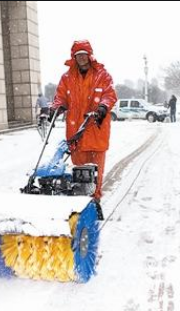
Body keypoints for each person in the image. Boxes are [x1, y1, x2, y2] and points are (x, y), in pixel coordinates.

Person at [50, 40, 117, 219]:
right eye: (77, 55)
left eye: (83, 54)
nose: (81, 58)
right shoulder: (67, 78)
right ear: (74, 56)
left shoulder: (102, 75)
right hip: (76, 132)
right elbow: (60, 97)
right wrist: (57, 108)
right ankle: (80, 202)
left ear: (89, 55)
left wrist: (103, 107)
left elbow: (109, 95)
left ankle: (94, 202)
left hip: (96, 130)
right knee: (79, 171)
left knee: (95, 172)